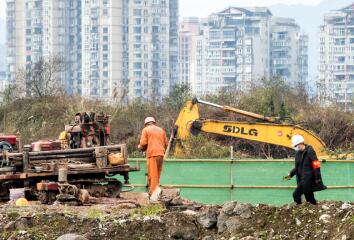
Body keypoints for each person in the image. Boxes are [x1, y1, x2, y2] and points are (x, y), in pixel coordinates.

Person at [283, 134, 327, 205]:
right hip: (302, 179)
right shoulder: (298, 153)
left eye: (296, 145)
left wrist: (317, 178)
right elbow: (298, 167)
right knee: (309, 198)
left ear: (300, 143)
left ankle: (299, 208)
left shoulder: (309, 151)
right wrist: (290, 174)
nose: (295, 147)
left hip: (308, 179)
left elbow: (316, 164)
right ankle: (313, 209)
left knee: (296, 194)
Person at [138, 117, 168, 197]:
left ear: (146, 124)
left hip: (152, 154)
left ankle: (153, 194)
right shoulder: (161, 130)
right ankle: (157, 191)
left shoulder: (146, 130)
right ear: (154, 122)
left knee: (152, 174)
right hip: (161, 154)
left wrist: (140, 147)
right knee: (157, 174)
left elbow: (143, 143)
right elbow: (166, 143)